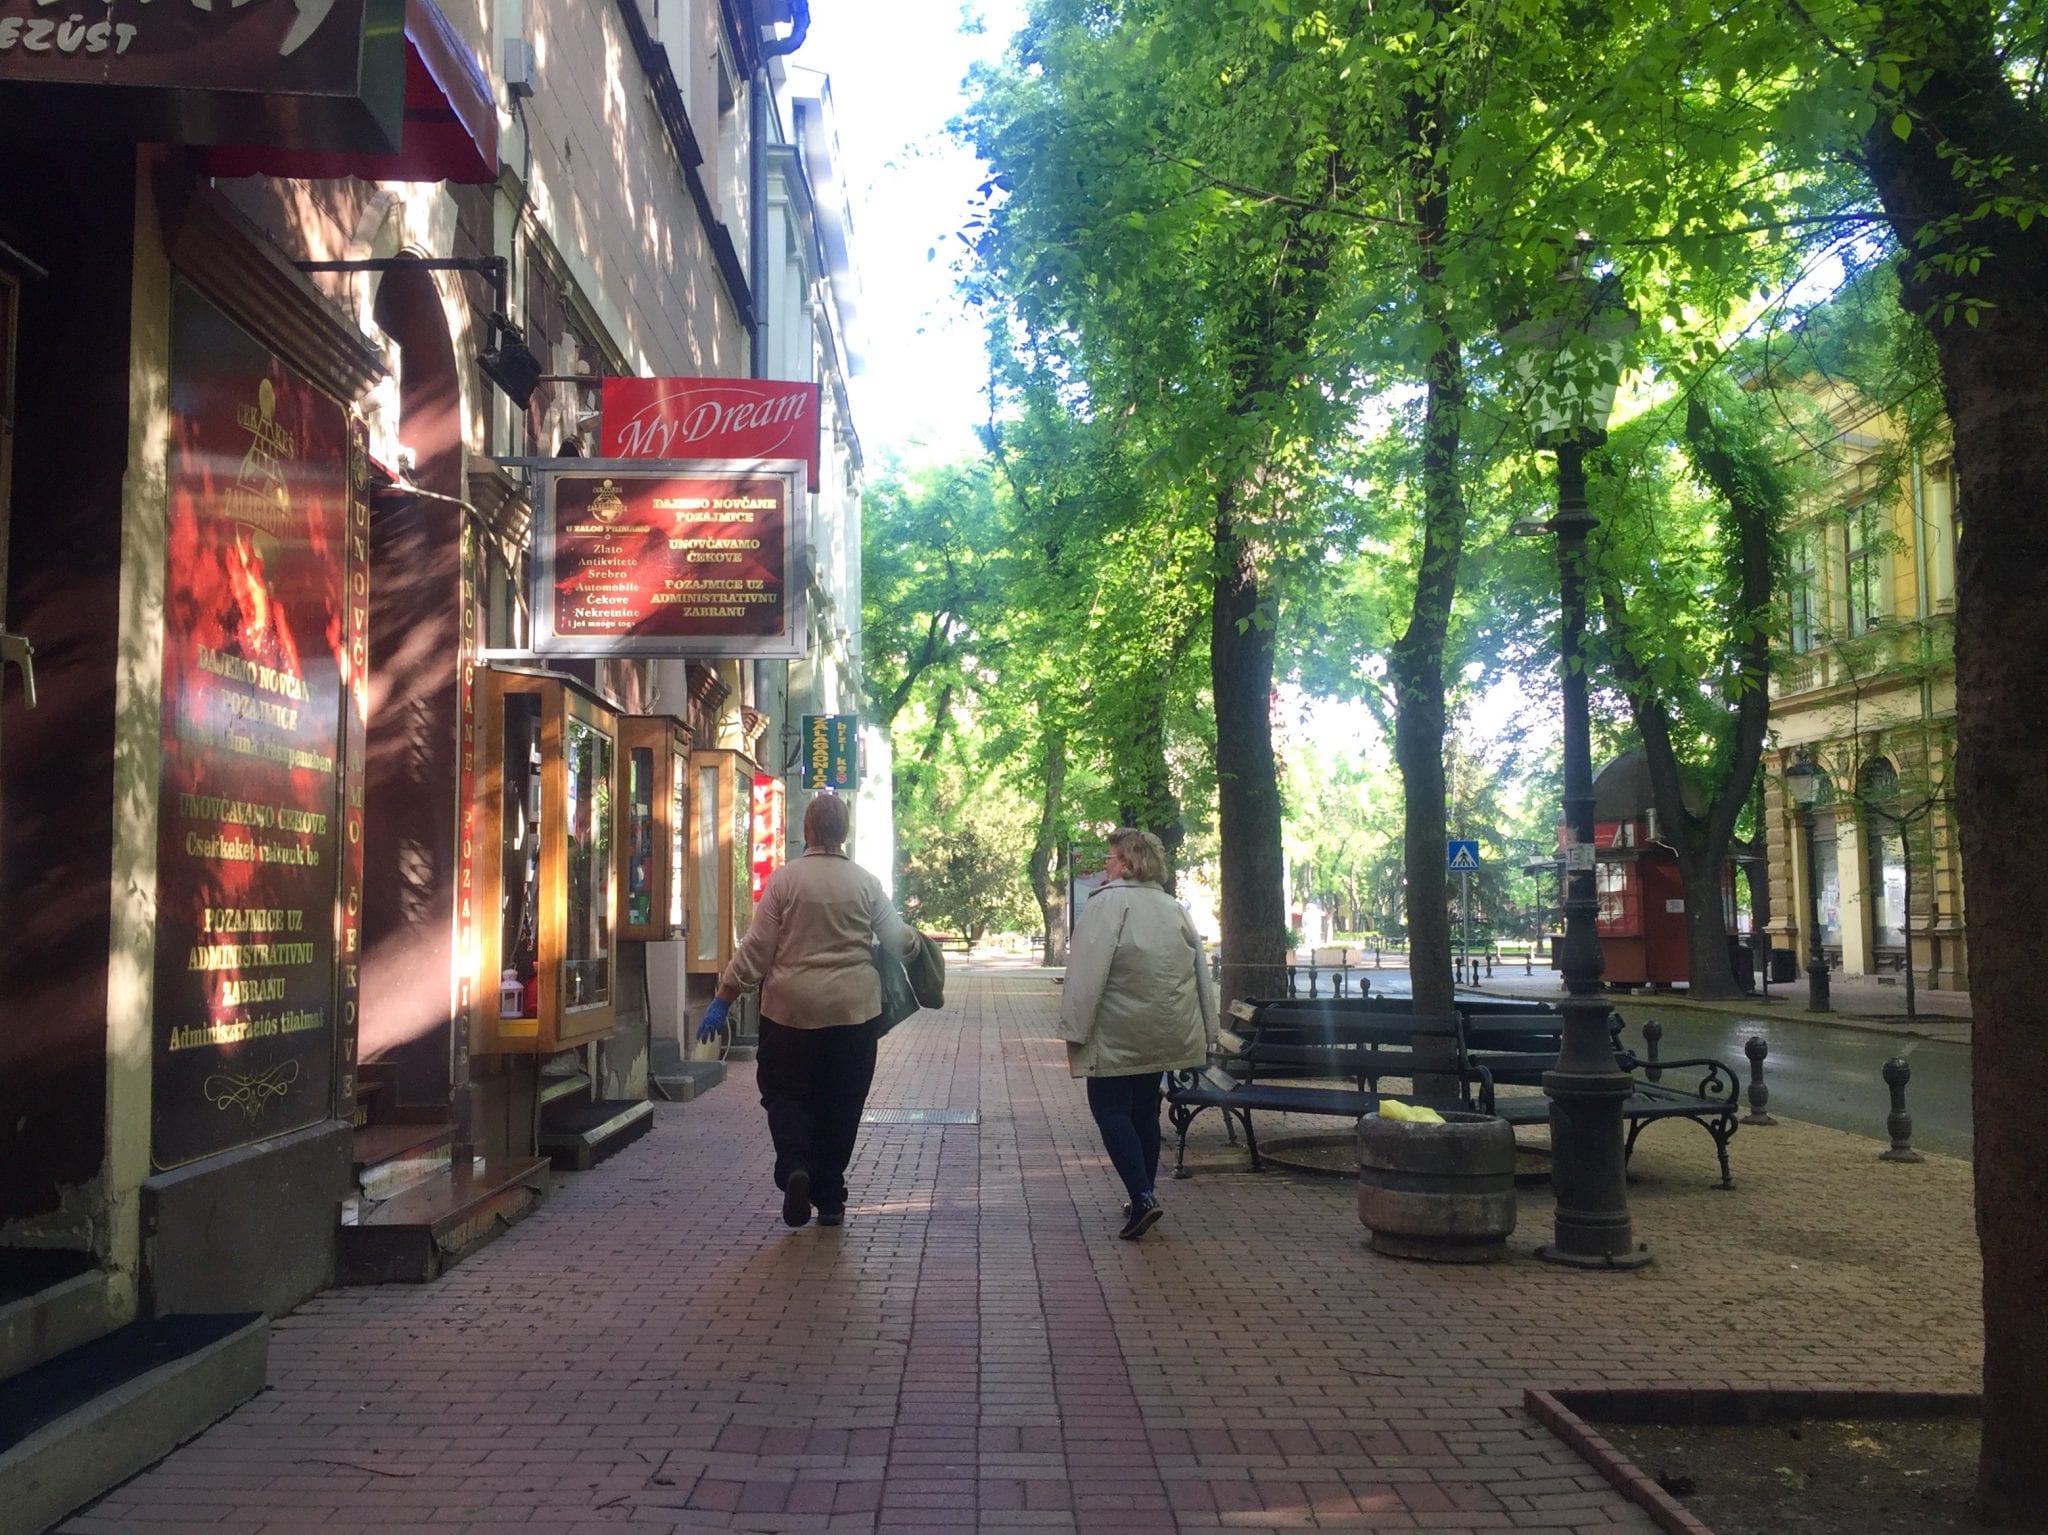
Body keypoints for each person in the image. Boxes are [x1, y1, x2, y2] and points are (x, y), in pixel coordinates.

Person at [696, 792, 916, 1229]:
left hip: (789, 1014)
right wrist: (918, 948)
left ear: (807, 830)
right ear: (844, 832)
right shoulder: (866, 883)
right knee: (843, 1101)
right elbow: (899, 940)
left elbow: (757, 950)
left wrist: (724, 997)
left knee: (785, 1094)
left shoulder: (785, 881)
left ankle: (796, 1166)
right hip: (853, 1016)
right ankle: (830, 1198)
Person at [1058, 827, 1217, 1240]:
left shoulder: (1106, 905)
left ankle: (1142, 1196)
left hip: (1116, 1031)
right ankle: (1143, 1192)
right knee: (1145, 1111)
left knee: (1109, 1109)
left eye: (1109, 859)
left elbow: (1086, 974)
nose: (1105, 866)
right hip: (1166, 1031)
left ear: (1126, 863)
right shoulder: (1173, 907)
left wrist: (1075, 1029)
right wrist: (1207, 1027)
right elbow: (1199, 972)